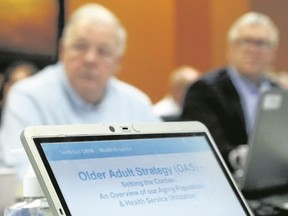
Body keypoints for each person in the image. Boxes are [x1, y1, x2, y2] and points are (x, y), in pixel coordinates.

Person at [0, 3, 160, 183]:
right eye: (80, 46)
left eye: (103, 52)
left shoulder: (137, 104)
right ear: (62, 50)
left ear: (118, 63)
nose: (90, 59)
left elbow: (160, 166)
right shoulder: (28, 97)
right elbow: (24, 175)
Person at [181, 12, 279, 172]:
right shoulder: (205, 90)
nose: (253, 50)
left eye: (261, 43)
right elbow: (201, 149)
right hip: (225, 179)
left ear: (273, 52)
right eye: (245, 41)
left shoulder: (278, 92)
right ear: (231, 47)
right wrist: (240, 157)